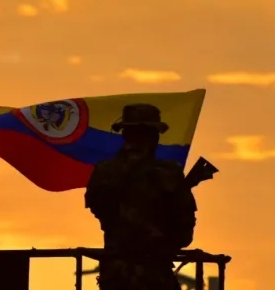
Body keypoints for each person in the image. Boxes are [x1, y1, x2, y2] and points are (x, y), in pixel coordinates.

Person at [84, 104, 197, 290]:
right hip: (152, 274)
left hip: (120, 275)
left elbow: (101, 210)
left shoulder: (106, 171)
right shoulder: (168, 173)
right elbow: (184, 231)